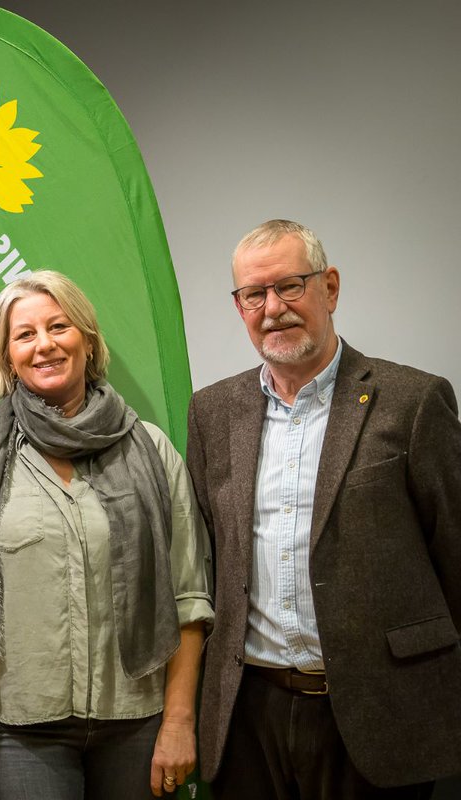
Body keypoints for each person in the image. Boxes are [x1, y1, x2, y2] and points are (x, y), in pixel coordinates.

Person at [188, 219, 461, 799]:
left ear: (329, 287)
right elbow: (206, 559)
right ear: (239, 307)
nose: (273, 308)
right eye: (254, 295)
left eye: (290, 286)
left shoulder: (412, 402)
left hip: (379, 710)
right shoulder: (213, 412)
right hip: (246, 713)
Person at [0, 272, 213, 799]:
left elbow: (189, 599)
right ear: (6, 357)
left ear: (88, 340)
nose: (44, 344)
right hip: (18, 727)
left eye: (59, 326)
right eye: (24, 334)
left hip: (138, 720)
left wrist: (179, 721)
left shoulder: (151, 450)